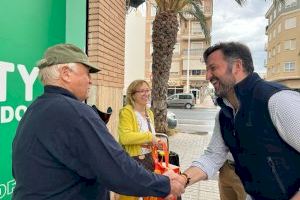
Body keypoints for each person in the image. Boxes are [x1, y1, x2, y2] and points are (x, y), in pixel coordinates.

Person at [12, 44, 186, 200]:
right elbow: (116, 168)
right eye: (87, 73)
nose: (90, 80)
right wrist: (165, 185)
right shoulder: (75, 112)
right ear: (65, 73)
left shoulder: (35, 109)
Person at [182, 42, 300, 200]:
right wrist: (182, 179)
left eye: (213, 68)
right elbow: (213, 156)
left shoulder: (277, 100)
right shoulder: (224, 115)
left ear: (237, 66)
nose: (207, 76)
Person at [118, 80, 158, 200]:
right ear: (132, 94)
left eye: (147, 90)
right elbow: (125, 137)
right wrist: (149, 137)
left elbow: (149, 137)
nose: (146, 93)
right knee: (131, 195)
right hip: (133, 162)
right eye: (142, 91)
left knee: (146, 196)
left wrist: (155, 142)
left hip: (148, 160)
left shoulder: (149, 113)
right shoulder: (127, 112)